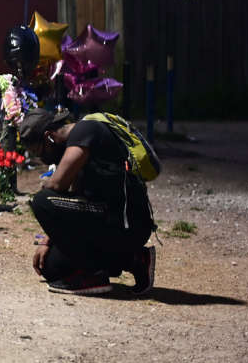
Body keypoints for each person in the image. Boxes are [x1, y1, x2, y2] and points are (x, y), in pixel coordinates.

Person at [19, 107, 155, 295]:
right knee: (50, 267)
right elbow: (74, 198)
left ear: (49, 136)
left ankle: (94, 274)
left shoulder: (86, 131)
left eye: (39, 151)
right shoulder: (75, 142)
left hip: (127, 223)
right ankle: (136, 259)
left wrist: (47, 183)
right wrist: (47, 241)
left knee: (42, 200)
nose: (41, 158)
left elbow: (57, 185)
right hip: (104, 219)